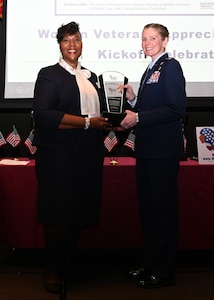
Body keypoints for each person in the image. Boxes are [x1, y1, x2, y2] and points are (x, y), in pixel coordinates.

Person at [33, 21, 111, 294]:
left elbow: (102, 114)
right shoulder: (49, 75)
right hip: (59, 157)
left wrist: (111, 119)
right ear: (59, 45)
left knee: (79, 213)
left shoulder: (91, 76)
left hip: (88, 156)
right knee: (58, 215)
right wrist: (88, 122)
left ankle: (67, 264)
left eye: (76, 40)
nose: (72, 45)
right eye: (66, 41)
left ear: (82, 43)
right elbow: (45, 116)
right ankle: (52, 269)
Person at [119, 23, 186, 288]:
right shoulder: (151, 68)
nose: (147, 42)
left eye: (153, 38)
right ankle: (150, 263)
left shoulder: (171, 66)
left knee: (163, 212)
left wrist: (139, 116)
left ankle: (165, 270)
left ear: (165, 40)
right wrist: (134, 99)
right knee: (148, 212)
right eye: (144, 38)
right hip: (147, 152)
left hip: (162, 153)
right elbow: (152, 106)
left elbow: (176, 108)